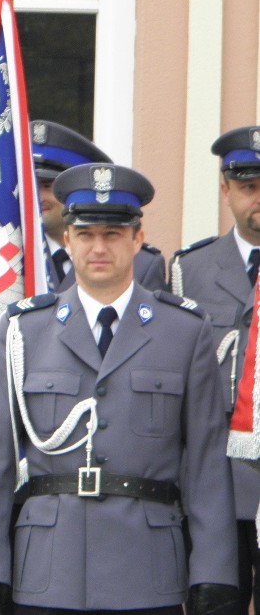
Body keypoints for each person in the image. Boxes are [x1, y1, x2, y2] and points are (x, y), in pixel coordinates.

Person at [0, 162, 239, 614]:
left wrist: (213, 565)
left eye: (112, 235)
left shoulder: (184, 330)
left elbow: (206, 460)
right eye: (87, 234)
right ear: (67, 238)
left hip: (147, 571)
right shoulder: (23, 329)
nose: (99, 247)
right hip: (49, 569)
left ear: (137, 238)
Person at [168, 125, 260, 613]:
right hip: (213, 484)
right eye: (248, 186)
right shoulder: (192, 269)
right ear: (226, 190)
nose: (259, 197)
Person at [31, 119, 166, 291]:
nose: (38, 197)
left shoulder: (142, 263)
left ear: (74, 191)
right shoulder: (13, 256)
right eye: (31, 186)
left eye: (47, 186)